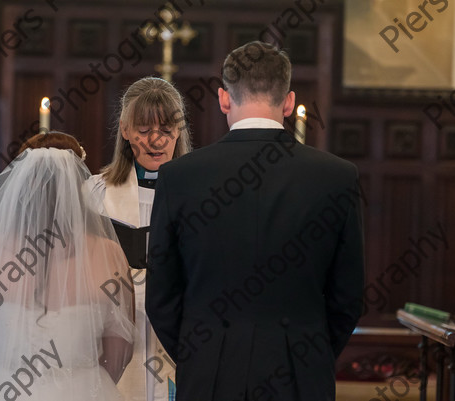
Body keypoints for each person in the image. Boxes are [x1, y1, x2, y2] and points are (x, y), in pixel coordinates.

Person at [146, 41, 365, 401]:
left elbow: (161, 297)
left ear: (224, 99)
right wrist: (308, 352)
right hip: (302, 374)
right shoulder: (337, 176)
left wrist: (201, 350)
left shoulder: (178, 176)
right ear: (289, 101)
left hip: (208, 372)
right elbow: (348, 297)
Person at [0, 132, 135, 401]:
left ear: (21, 185)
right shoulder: (109, 254)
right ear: (79, 185)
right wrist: (87, 384)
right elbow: (120, 348)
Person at [87, 77, 192, 401]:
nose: (156, 140)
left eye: (166, 129)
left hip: (179, 345)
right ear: (125, 129)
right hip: (113, 344)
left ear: (180, 131)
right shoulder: (96, 193)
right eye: (144, 130)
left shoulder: (202, 195)